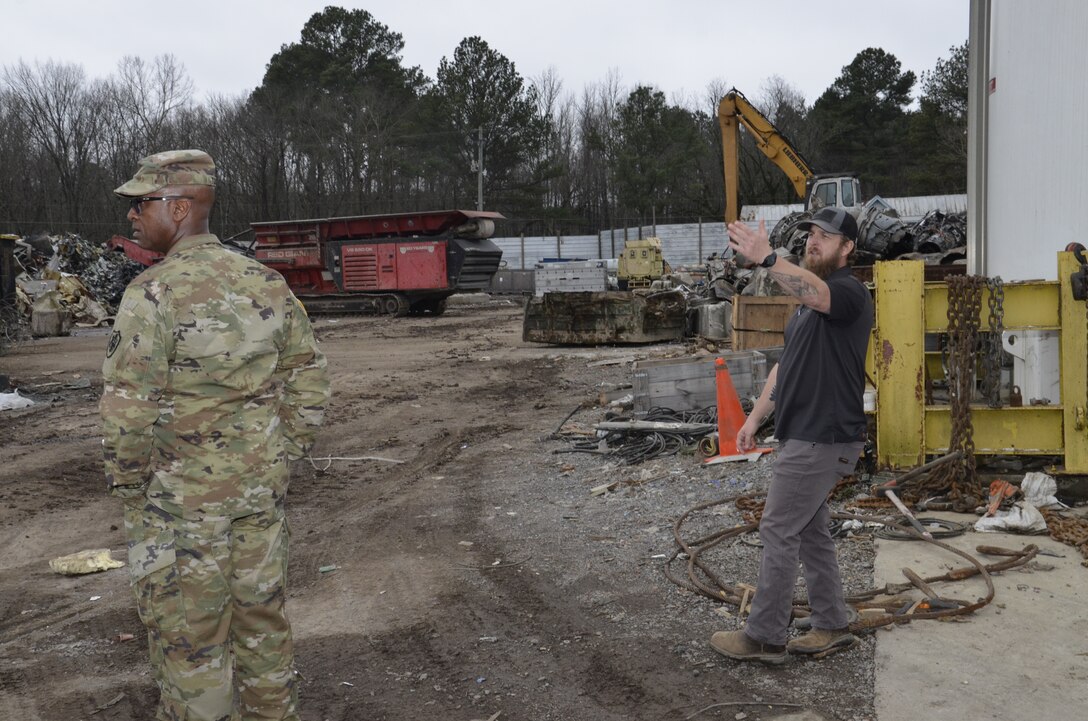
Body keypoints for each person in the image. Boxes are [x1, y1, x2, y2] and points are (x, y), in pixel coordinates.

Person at [101, 149, 330, 719]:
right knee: (263, 632)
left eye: (140, 204)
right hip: (258, 496)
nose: (132, 215)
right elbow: (309, 378)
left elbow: (129, 408)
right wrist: (279, 456)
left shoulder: (154, 293)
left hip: (181, 510)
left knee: (190, 642)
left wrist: (132, 489)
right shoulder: (266, 282)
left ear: (177, 208)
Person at [709, 207, 873, 665]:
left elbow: (819, 293)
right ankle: (831, 623)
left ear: (847, 249)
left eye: (826, 236)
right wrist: (751, 420)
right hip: (804, 434)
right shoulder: (803, 311)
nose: (813, 241)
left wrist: (767, 260)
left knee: (778, 527)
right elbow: (785, 369)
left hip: (823, 436)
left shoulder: (848, 293)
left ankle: (765, 637)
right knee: (810, 529)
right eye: (811, 234)